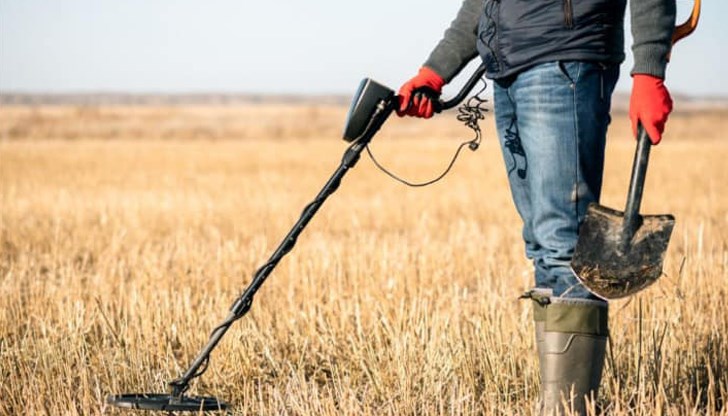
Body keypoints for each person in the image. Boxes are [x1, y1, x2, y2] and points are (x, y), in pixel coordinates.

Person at [397, 0, 675, 414]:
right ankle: (558, 402)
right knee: (542, 242)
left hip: (566, 59)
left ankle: (567, 409)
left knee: (564, 244)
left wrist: (649, 67)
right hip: (510, 70)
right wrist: (434, 71)